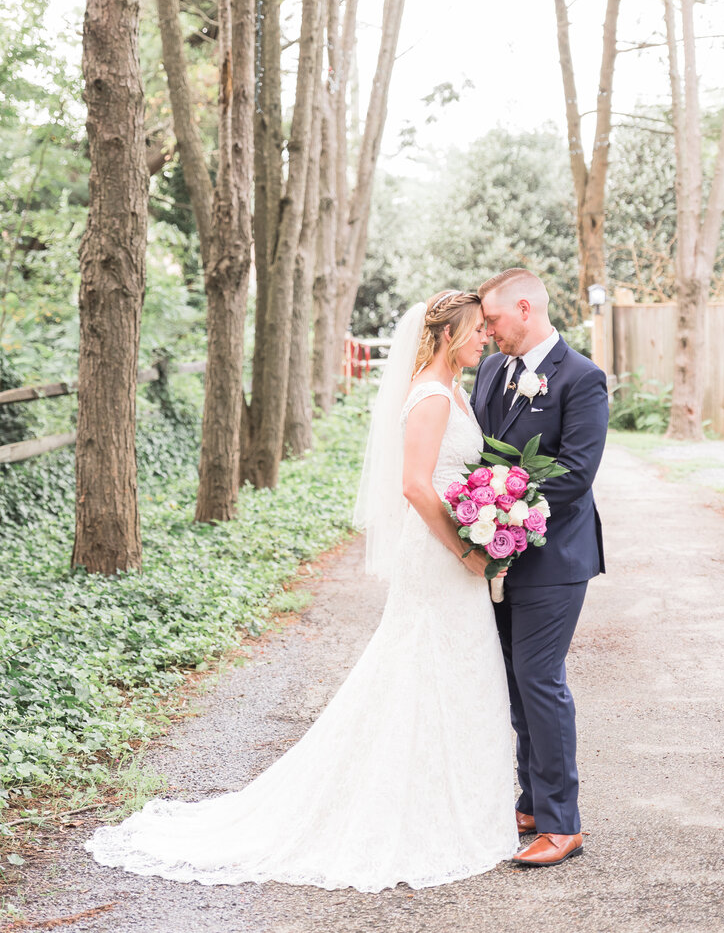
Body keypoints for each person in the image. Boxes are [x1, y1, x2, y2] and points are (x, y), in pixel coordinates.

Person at [84, 290, 518, 892]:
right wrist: (470, 549)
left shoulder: (452, 389)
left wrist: (491, 514)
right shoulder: (430, 397)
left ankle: (451, 792)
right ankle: (414, 802)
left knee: (450, 668)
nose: (484, 340)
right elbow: (416, 487)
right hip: (441, 555)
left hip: (452, 553)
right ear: (446, 335)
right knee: (426, 665)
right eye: (475, 332)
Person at [472, 268, 608, 868]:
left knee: (539, 679)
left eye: (493, 320)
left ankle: (562, 823)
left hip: (555, 556)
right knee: (511, 680)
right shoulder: (489, 370)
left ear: (525, 309)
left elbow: (575, 476)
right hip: (491, 552)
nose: (486, 330)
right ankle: (530, 802)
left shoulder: (581, 379)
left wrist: (508, 516)